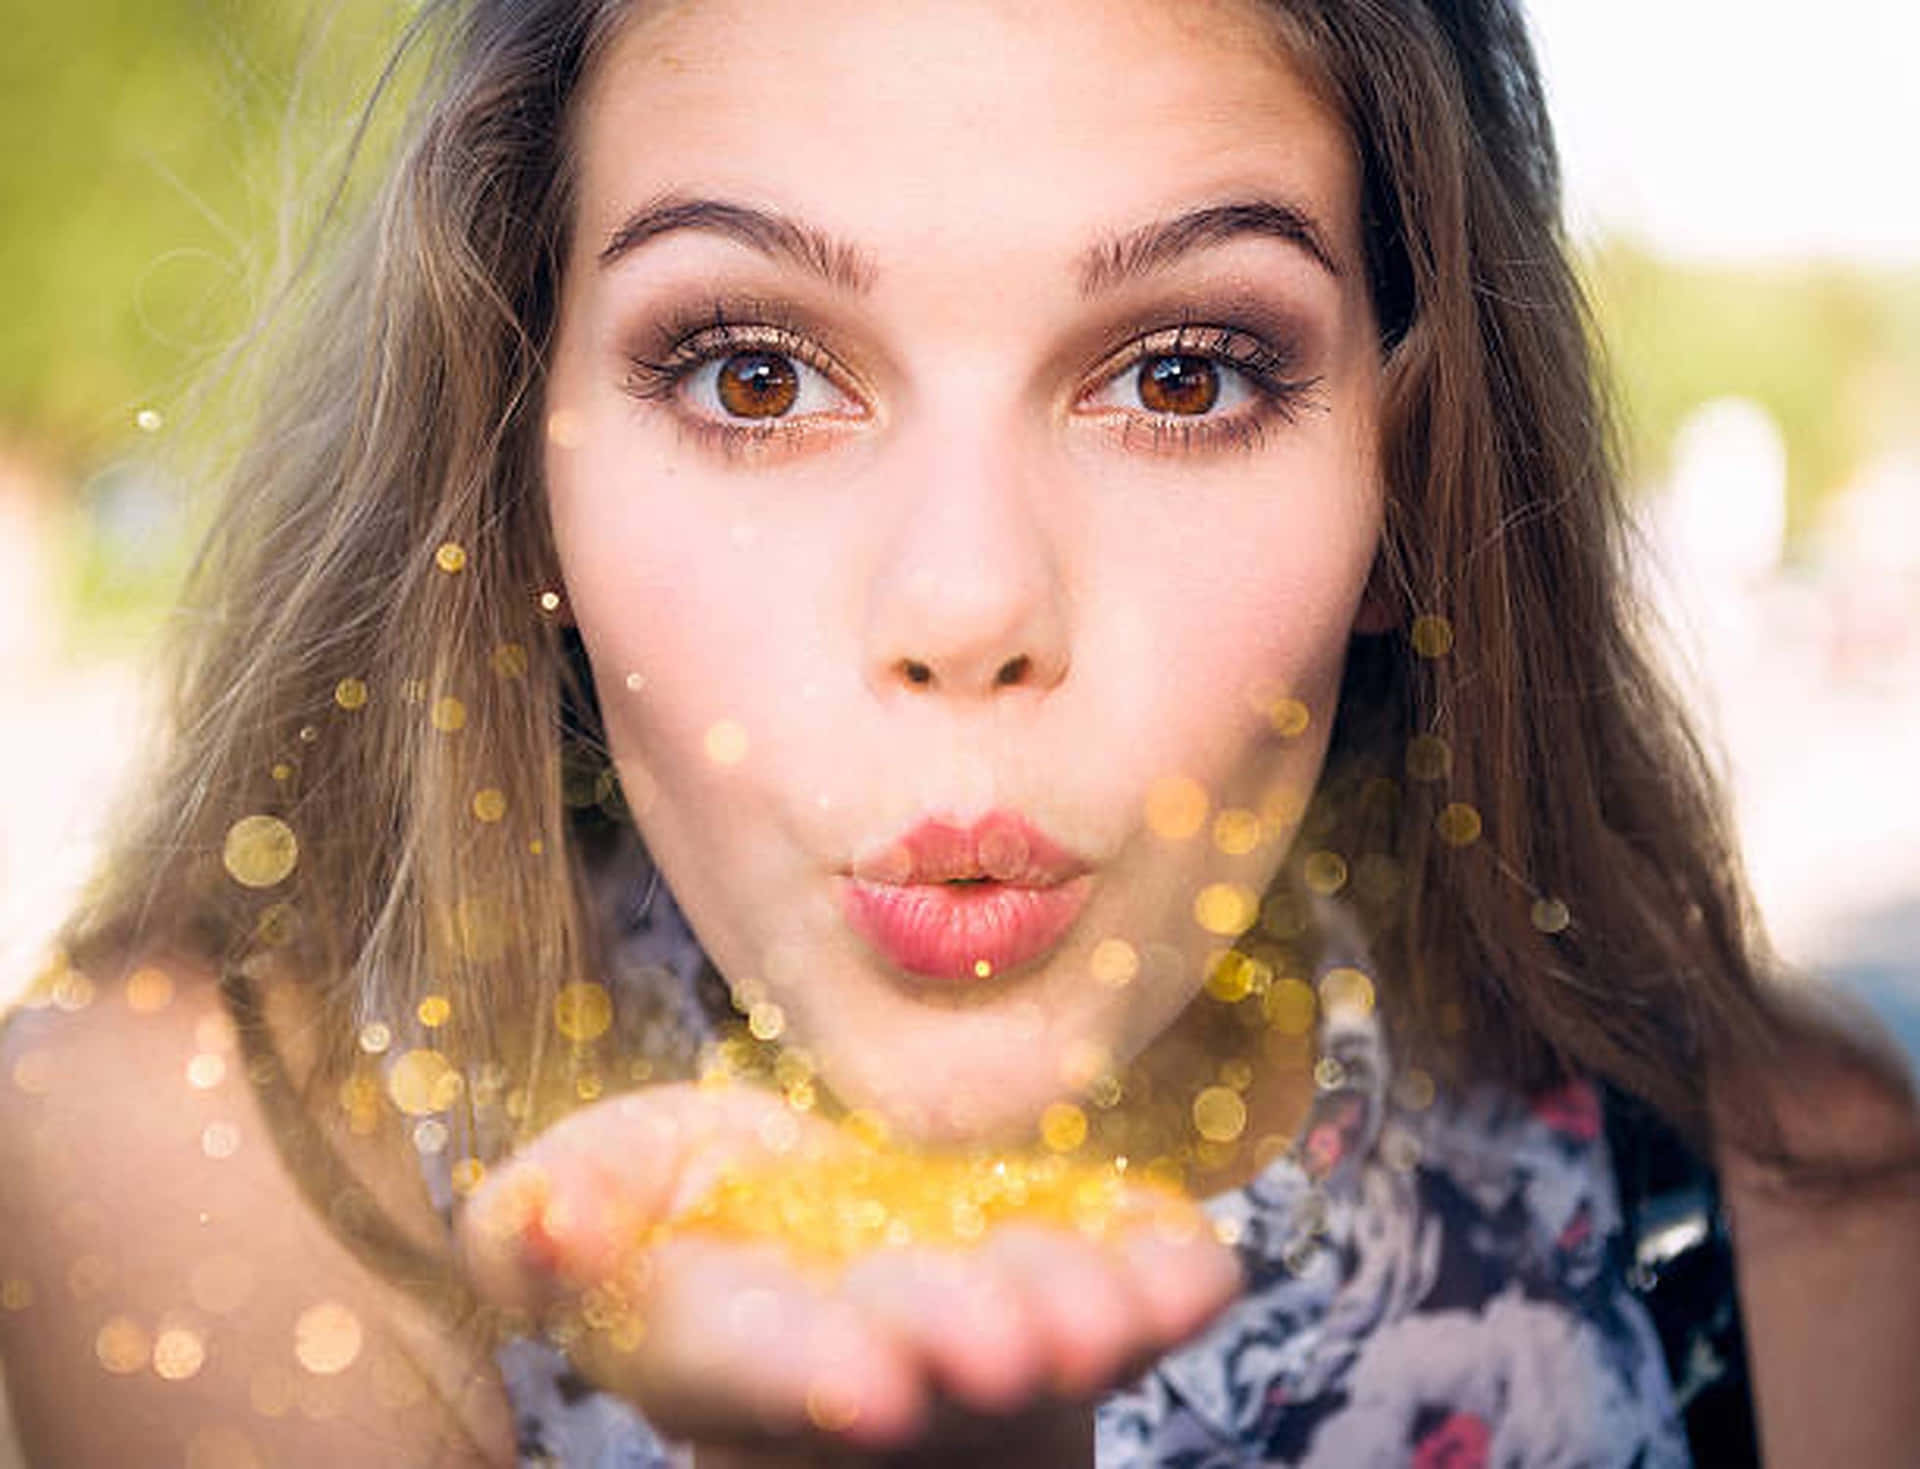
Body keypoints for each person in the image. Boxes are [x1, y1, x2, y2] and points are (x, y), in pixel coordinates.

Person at [3, 1, 1917, 1465]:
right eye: (753, 373)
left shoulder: (1793, 1219)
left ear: (1404, 492)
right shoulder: (205, 1162)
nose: (968, 606)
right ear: (515, 466)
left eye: (1183, 375)